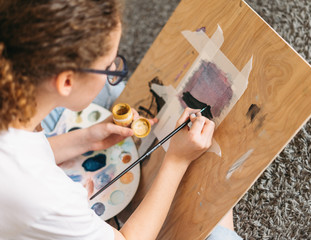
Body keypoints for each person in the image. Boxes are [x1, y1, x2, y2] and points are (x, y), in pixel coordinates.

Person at [0, 1, 241, 239]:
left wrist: (85, 139)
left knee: (112, 94)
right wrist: (176, 160)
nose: (113, 71)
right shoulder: (49, 197)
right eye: (108, 67)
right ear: (66, 82)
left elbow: (23, 153)